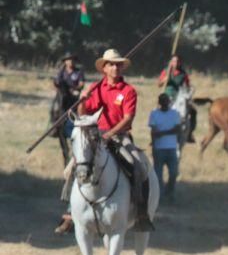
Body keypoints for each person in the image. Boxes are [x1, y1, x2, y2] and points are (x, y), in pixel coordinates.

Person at [77, 48, 153, 231]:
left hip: (120, 137)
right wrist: (82, 101)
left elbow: (128, 118)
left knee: (138, 167)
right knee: (75, 165)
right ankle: (71, 211)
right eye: (111, 64)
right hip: (96, 136)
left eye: (118, 65)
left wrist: (109, 134)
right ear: (104, 68)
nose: (115, 68)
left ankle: (141, 213)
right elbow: (83, 115)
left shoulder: (128, 91)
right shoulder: (95, 88)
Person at [52, 54, 86, 234]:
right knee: (54, 107)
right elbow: (56, 82)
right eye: (67, 59)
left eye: (71, 59)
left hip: (74, 101)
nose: (69, 62)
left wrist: (75, 89)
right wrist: (58, 86)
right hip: (64, 99)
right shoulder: (61, 71)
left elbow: (81, 85)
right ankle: (53, 126)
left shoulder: (78, 72)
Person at [148, 93, 181, 202]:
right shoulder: (154, 114)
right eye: (162, 101)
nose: (164, 103)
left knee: (174, 173)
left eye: (166, 101)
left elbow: (177, 129)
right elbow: (153, 132)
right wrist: (153, 147)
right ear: (159, 102)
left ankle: (169, 191)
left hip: (171, 147)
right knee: (158, 175)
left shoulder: (174, 114)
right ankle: (160, 196)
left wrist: (161, 133)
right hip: (159, 148)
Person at [157, 54, 196, 142]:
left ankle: (189, 133)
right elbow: (159, 84)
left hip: (179, 97)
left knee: (193, 111)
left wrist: (189, 92)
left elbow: (187, 86)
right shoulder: (166, 71)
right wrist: (165, 79)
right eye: (174, 61)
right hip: (167, 97)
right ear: (171, 62)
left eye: (177, 61)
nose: (176, 63)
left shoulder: (183, 74)